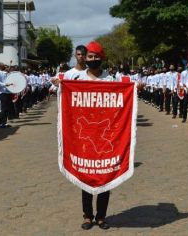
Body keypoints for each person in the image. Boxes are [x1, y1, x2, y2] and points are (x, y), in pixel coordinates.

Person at [77, 41, 113, 230]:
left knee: (106, 176)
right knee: (86, 176)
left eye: (96, 57)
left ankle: (101, 216)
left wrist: (136, 87)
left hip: (104, 136)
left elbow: (125, 93)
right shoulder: (76, 78)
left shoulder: (111, 80)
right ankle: (87, 215)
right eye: (89, 56)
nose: (92, 60)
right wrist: (58, 85)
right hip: (85, 139)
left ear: (102, 58)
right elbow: (61, 93)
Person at [0, 62, 13, 128]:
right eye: (3, 65)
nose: (5, 66)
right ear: (0, 66)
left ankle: (4, 123)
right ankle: (0, 124)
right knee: (4, 109)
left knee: (7, 108)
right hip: (2, 93)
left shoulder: (5, 73)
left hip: (7, 92)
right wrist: (5, 84)